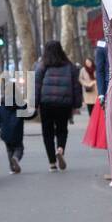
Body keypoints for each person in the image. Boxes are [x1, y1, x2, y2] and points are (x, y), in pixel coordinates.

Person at [33, 40, 81, 171]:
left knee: (47, 132)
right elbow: (76, 86)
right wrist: (77, 104)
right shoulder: (70, 66)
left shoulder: (42, 65)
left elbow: (36, 85)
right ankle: (60, 149)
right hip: (64, 103)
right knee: (62, 129)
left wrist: (34, 104)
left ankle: (52, 163)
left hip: (46, 103)